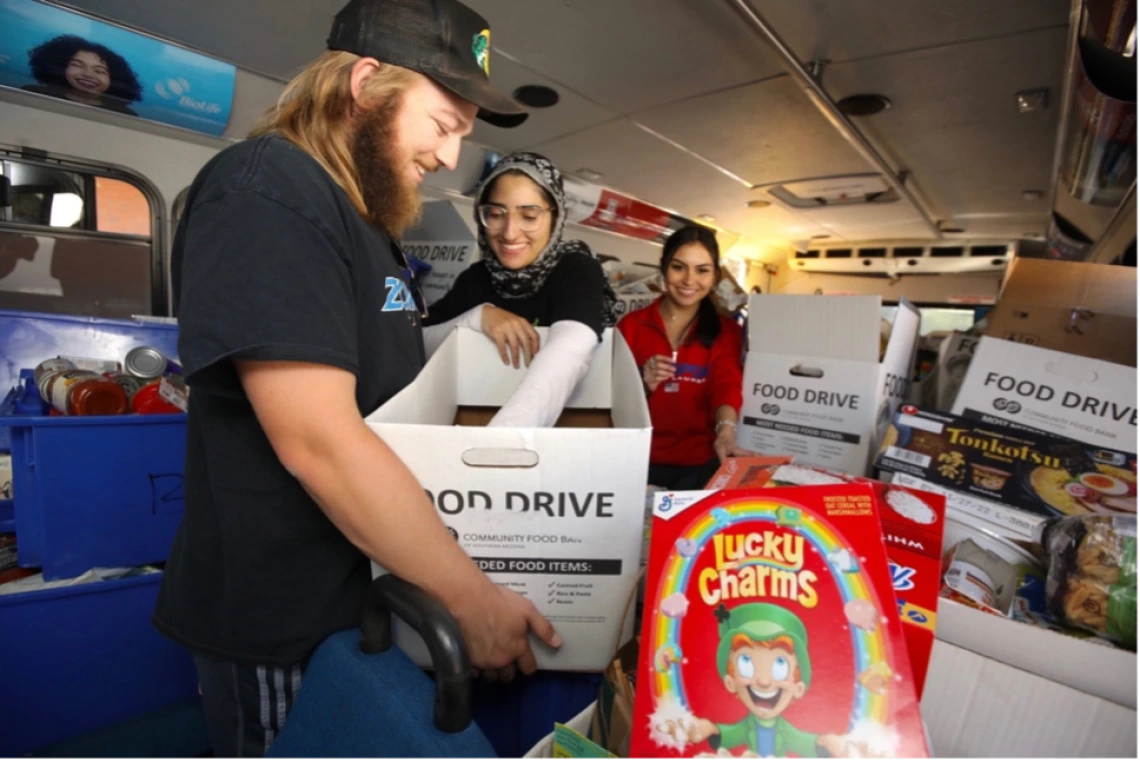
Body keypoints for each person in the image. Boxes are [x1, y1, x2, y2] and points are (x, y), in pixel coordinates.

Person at [152, 1, 560, 758]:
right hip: (276, 615)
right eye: (442, 125)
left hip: (349, 596)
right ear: (367, 86)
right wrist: (469, 599)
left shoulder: (362, 223)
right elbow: (319, 439)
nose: (449, 157)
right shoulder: (266, 190)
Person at [424, 152, 620, 427]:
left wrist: (504, 438)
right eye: (495, 214)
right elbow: (416, 342)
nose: (509, 233)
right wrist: (477, 317)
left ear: (556, 217)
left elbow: (573, 343)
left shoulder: (575, 267)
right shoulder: (477, 278)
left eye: (528, 216)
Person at [618, 225, 751, 490]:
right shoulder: (631, 326)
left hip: (700, 464)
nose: (689, 280)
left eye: (702, 270)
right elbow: (615, 402)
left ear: (714, 275)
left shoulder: (727, 331)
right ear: (664, 268)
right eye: (679, 267)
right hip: (636, 461)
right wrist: (643, 385)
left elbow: (725, 384)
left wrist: (726, 433)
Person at [660, 603, 854, 759]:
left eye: (780, 665)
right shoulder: (748, 726)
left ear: (798, 688)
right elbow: (731, 733)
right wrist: (709, 729)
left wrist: (825, 742)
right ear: (730, 682)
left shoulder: (784, 729)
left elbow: (803, 741)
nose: (762, 681)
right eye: (746, 663)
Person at [23, 34, 142, 116]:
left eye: (100, 71)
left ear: (113, 78)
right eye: (78, 65)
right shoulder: (33, 94)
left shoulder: (124, 115)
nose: (88, 74)